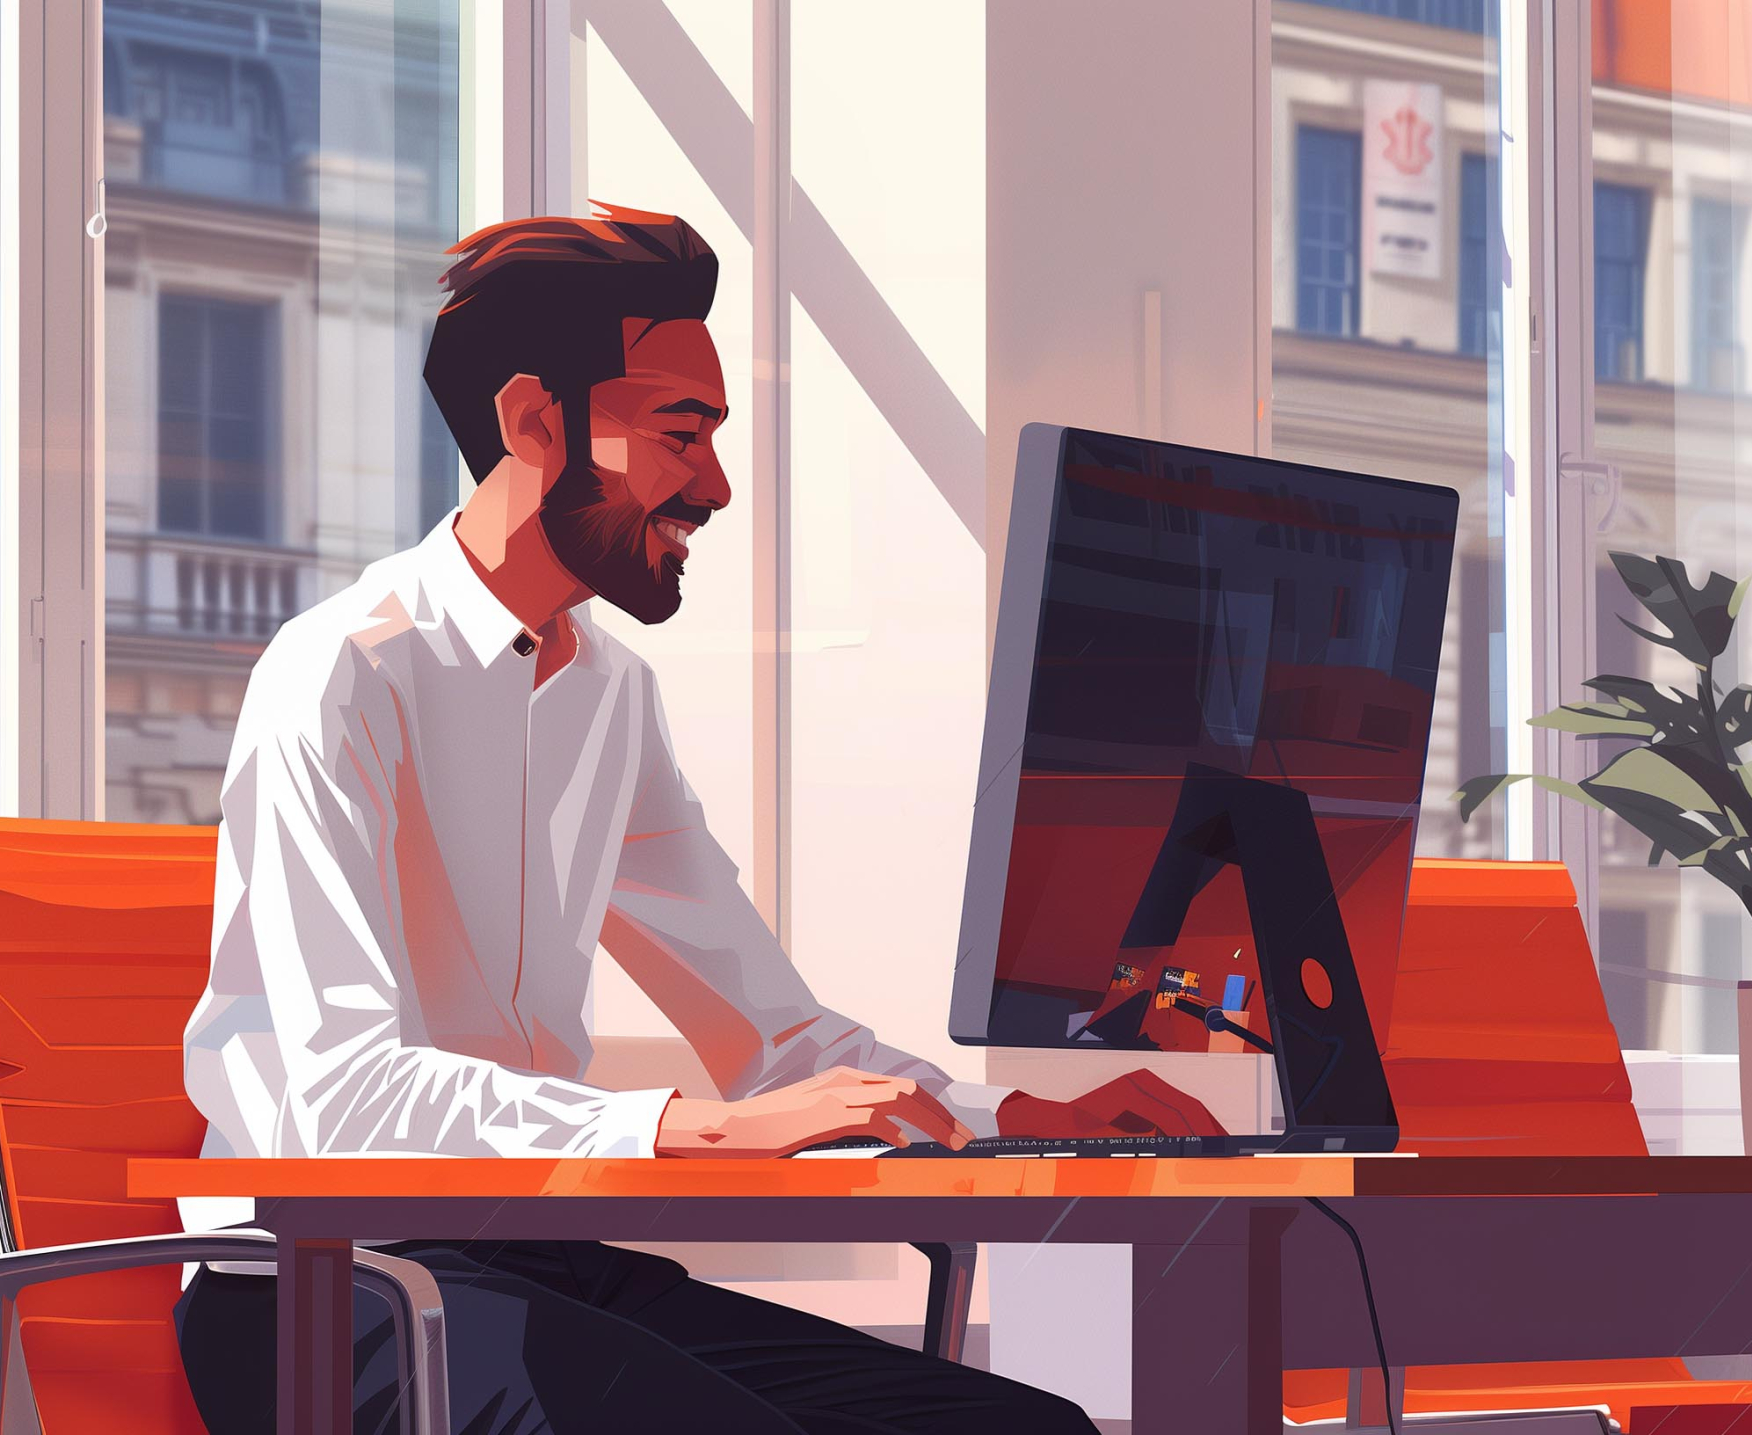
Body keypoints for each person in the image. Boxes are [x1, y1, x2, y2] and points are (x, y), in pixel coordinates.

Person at [174, 205, 1223, 1435]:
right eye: (680, 435)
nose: (714, 485)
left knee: (1018, 1430)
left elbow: (777, 1043)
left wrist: (1011, 1120)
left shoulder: (610, 693)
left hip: (535, 1262)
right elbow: (334, 1103)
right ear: (530, 422)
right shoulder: (340, 669)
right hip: (320, 1292)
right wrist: (696, 1130)